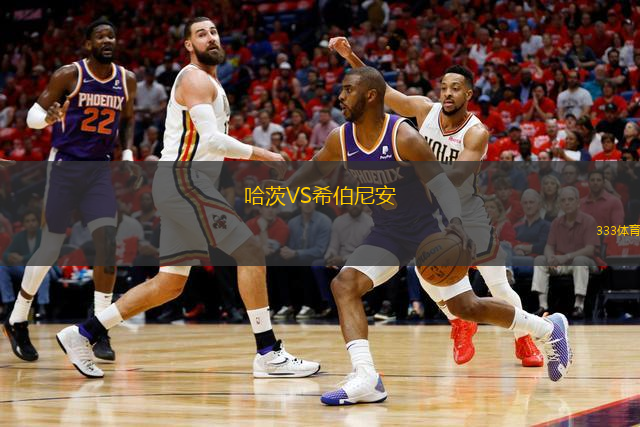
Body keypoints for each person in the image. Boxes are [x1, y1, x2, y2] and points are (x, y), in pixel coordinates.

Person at [55, 17, 319, 380]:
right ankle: (268, 352)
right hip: (184, 181)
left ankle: (83, 333)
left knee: (170, 283)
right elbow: (211, 140)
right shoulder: (194, 79)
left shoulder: (210, 81)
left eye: (214, 31)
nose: (210, 37)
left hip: (182, 184)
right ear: (189, 45)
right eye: (201, 34)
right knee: (249, 251)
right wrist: (264, 154)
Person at [330, 37, 568, 373]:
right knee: (430, 274)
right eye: (443, 88)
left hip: (468, 214)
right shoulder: (424, 110)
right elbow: (382, 91)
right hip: (431, 215)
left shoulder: (476, 133)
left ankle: (524, 337)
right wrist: (351, 56)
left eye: (455, 88)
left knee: (499, 286)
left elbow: (456, 176)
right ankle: (460, 321)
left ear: (468, 94)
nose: (447, 94)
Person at [3, 19, 138, 363]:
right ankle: (17, 318)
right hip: (65, 166)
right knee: (50, 247)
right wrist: (48, 118)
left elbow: (128, 119)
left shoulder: (127, 80)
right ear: (88, 44)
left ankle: (99, 327)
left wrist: (127, 153)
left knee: (107, 243)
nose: (108, 40)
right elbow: (32, 117)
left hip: (99, 170)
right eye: (100, 37)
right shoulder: (69, 75)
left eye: (111, 35)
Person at [532, 187, 599, 319]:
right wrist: (550, 258)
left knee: (579, 260)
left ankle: (579, 306)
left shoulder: (589, 221)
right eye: (563, 200)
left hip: (586, 263)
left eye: (570, 199)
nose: (567, 203)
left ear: (578, 202)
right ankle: (543, 306)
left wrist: (566, 257)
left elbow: (590, 249)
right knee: (540, 260)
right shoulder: (556, 223)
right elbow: (549, 246)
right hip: (561, 264)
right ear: (560, 204)